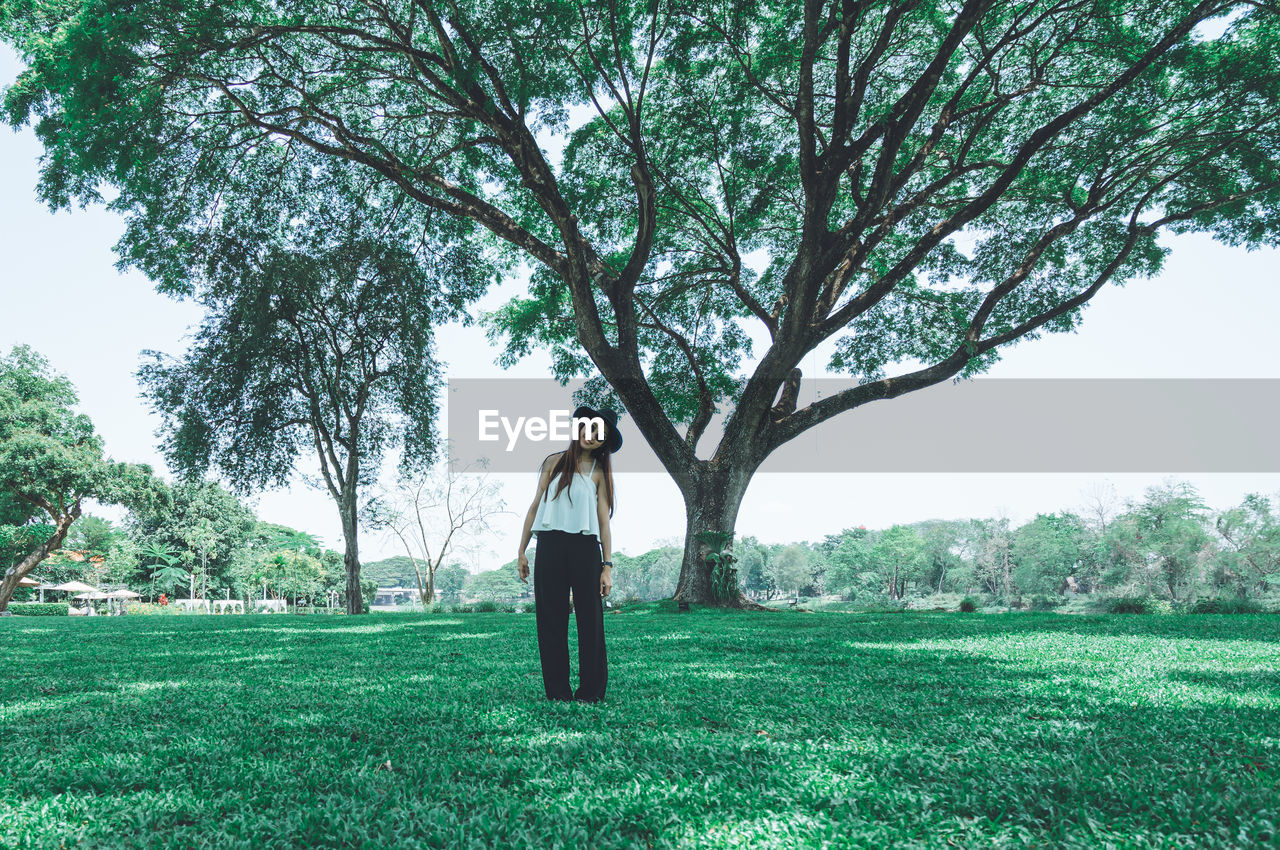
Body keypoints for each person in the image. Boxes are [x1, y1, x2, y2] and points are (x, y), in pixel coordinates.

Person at [518, 404, 622, 703]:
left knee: (590, 621)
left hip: (585, 550)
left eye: (600, 434)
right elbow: (535, 506)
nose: (592, 437)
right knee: (550, 620)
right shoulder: (553, 462)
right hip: (548, 547)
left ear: (604, 441)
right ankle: (558, 693)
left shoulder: (599, 472)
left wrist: (607, 566)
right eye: (590, 429)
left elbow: (603, 522)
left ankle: (590, 692)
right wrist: (522, 550)